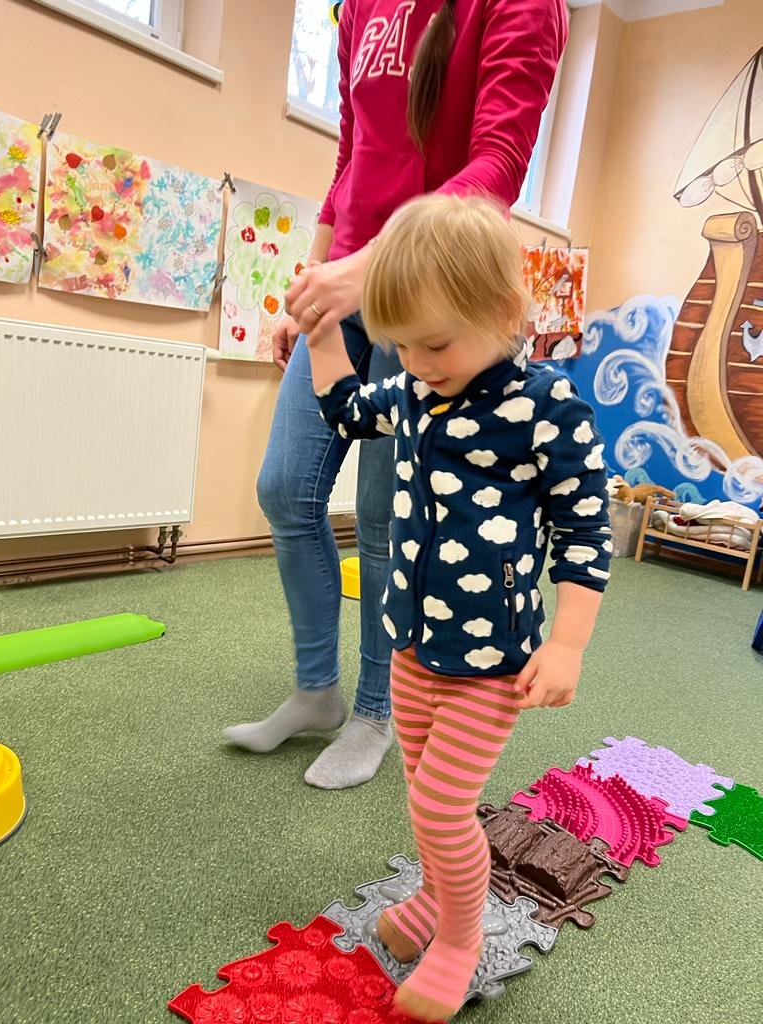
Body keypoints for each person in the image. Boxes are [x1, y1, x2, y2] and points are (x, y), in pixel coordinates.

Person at [224, 0, 569, 789]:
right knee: (284, 489)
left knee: (386, 520)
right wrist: (313, 283)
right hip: (347, 285)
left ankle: (376, 712)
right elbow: (350, 160)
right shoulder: (360, 8)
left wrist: (374, 266)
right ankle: (317, 691)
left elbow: (497, 164)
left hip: (431, 297)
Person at [308, 193, 611, 1021]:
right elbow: (346, 410)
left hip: (490, 662)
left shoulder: (546, 407)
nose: (417, 362)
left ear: (505, 312)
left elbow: (586, 529)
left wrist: (569, 645)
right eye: (401, 345)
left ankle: (459, 937)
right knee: (424, 798)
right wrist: (323, 333)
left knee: (444, 807)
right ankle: (438, 897)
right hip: (410, 646)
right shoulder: (415, 390)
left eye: (434, 343)